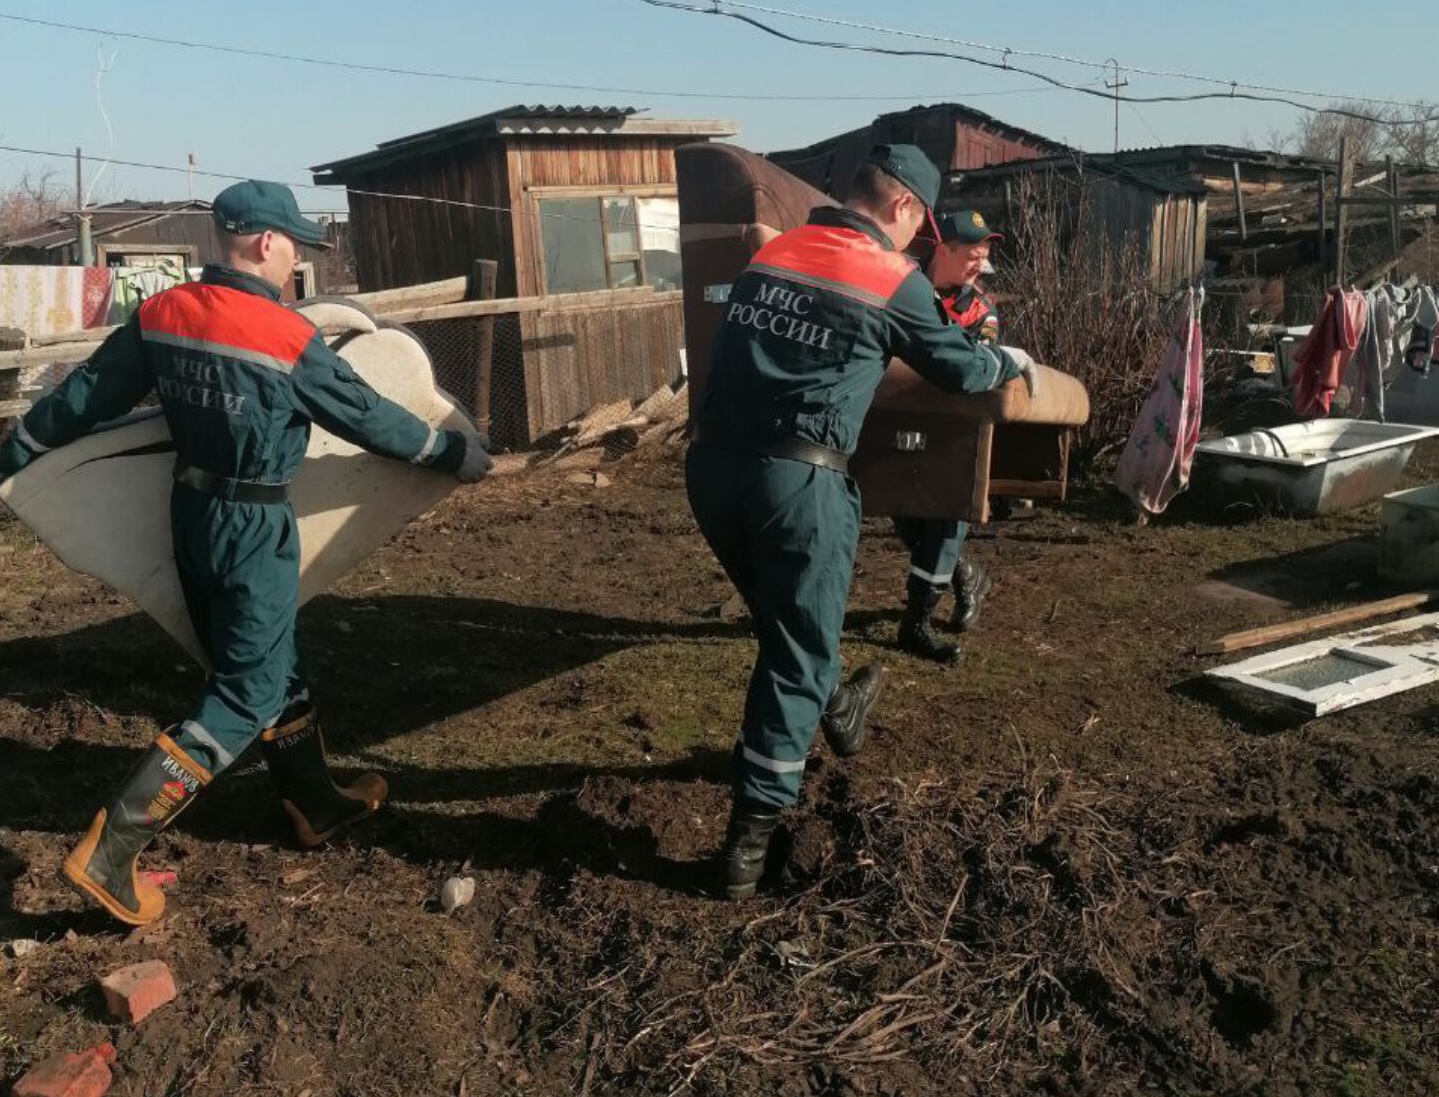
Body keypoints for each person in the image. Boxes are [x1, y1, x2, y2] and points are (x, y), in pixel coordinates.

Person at [0, 180, 491, 926]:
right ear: (265, 242)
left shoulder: (163, 314)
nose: (298, 260)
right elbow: (368, 418)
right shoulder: (284, 335)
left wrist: (19, 446)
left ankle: (314, 802)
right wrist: (451, 451)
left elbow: (89, 394)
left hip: (190, 514)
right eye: (296, 244)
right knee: (243, 693)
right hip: (255, 524)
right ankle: (111, 848)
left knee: (271, 659)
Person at [687, 147, 1037, 899]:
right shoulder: (889, 277)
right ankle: (748, 841)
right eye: (920, 227)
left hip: (711, 469)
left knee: (790, 621)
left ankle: (841, 705)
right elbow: (957, 369)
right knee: (796, 657)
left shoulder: (774, 251)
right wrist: (1006, 361)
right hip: (797, 481)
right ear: (905, 209)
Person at [892, 209, 1004, 663]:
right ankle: (964, 573)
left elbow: (983, 365)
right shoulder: (904, 289)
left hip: (954, 432)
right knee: (905, 516)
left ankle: (915, 621)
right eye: (971, 254)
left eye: (984, 256)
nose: (979, 264)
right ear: (943, 248)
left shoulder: (980, 310)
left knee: (942, 518)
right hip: (898, 424)